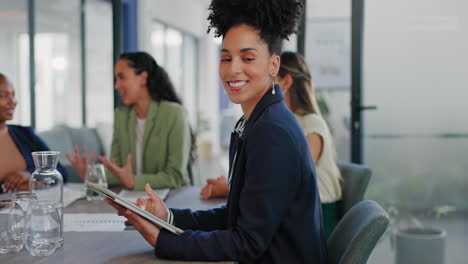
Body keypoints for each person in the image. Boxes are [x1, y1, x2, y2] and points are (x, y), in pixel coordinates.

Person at [106, 0, 328, 263]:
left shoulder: (272, 132)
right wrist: (167, 217)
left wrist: (162, 240)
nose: (233, 68)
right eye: (225, 58)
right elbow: (235, 216)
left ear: (273, 65)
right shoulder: (256, 122)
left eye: (247, 58)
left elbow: (247, 243)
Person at [201, 51, 343, 238]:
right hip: (291, 213)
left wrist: (230, 188)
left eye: (269, 77)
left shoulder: (311, 124)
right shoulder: (278, 123)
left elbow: (287, 182)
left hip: (316, 220)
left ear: (286, 82)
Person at [66, 52, 193, 190]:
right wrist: (89, 175)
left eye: (122, 77)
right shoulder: (121, 115)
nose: (117, 86)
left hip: (174, 198)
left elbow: (175, 176)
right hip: (134, 200)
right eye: (116, 79)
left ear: (143, 78)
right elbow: (118, 172)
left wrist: (134, 182)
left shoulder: (174, 114)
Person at [0, 73, 67, 193]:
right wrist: (9, 188)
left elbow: (60, 171)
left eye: (13, 95)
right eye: (4, 96)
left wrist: (30, 176)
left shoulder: (24, 134)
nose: (13, 102)